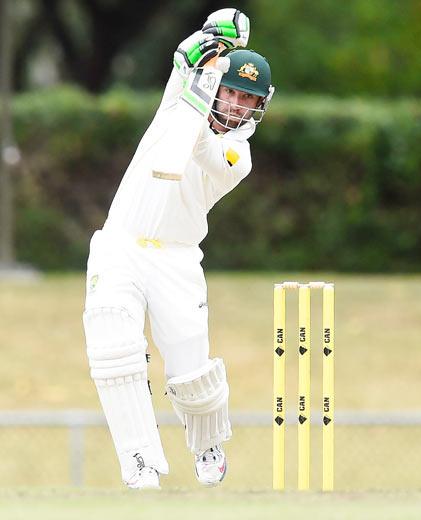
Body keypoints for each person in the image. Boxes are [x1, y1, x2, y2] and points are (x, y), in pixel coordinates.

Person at [82, 8, 274, 490]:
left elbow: (208, 153)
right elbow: (191, 50)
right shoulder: (178, 98)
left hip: (177, 259)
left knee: (191, 374)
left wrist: (198, 103)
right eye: (231, 90)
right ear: (217, 85)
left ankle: (207, 444)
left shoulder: (239, 153)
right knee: (114, 348)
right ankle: (140, 461)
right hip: (120, 246)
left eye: (245, 99)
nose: (234, 104)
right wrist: (209, 40)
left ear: (257, 107)